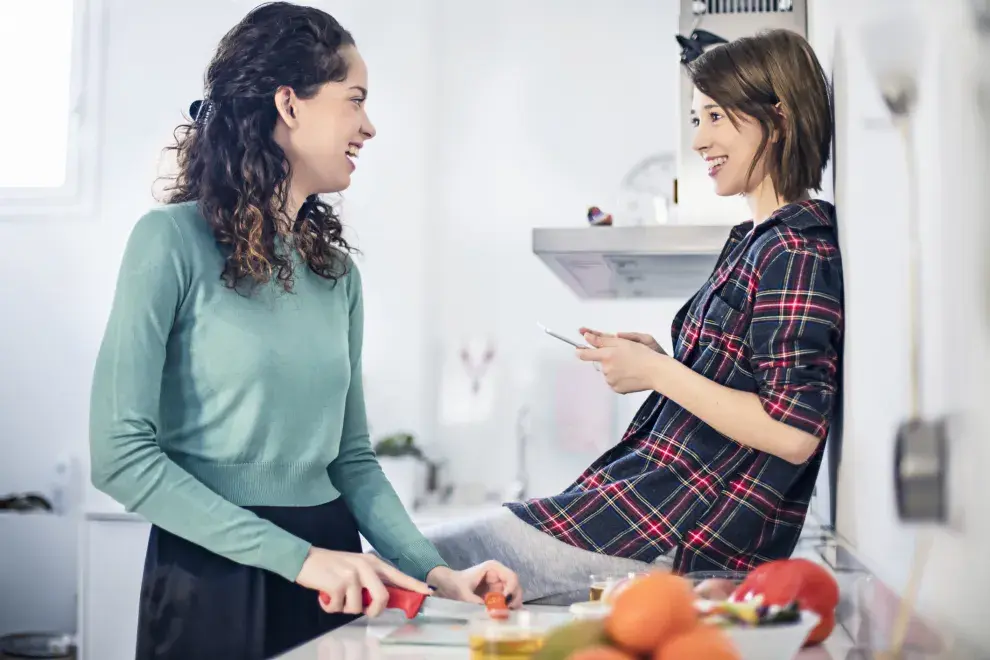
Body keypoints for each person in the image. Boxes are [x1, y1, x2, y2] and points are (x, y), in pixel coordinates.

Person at [88, 4, 519, 659]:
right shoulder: (168, 243)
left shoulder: (337, 275)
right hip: (214, 576)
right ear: (289, 105)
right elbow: (121, 457)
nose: (369, 126)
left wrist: (438, 574)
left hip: (332, 580)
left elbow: (351, 463)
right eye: (355, 101)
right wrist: (297, 558)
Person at [426, 28, 843, 601]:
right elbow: (736, 389)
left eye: (715, 117)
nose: (699, 141)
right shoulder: (755, 239)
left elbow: (793, 432)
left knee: (408, 561)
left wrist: (657, 374)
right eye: (697, 120)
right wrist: (658, 364)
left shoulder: (793, 249)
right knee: (409, 558)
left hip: (666, 537)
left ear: (779, 118)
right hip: (635, 516)